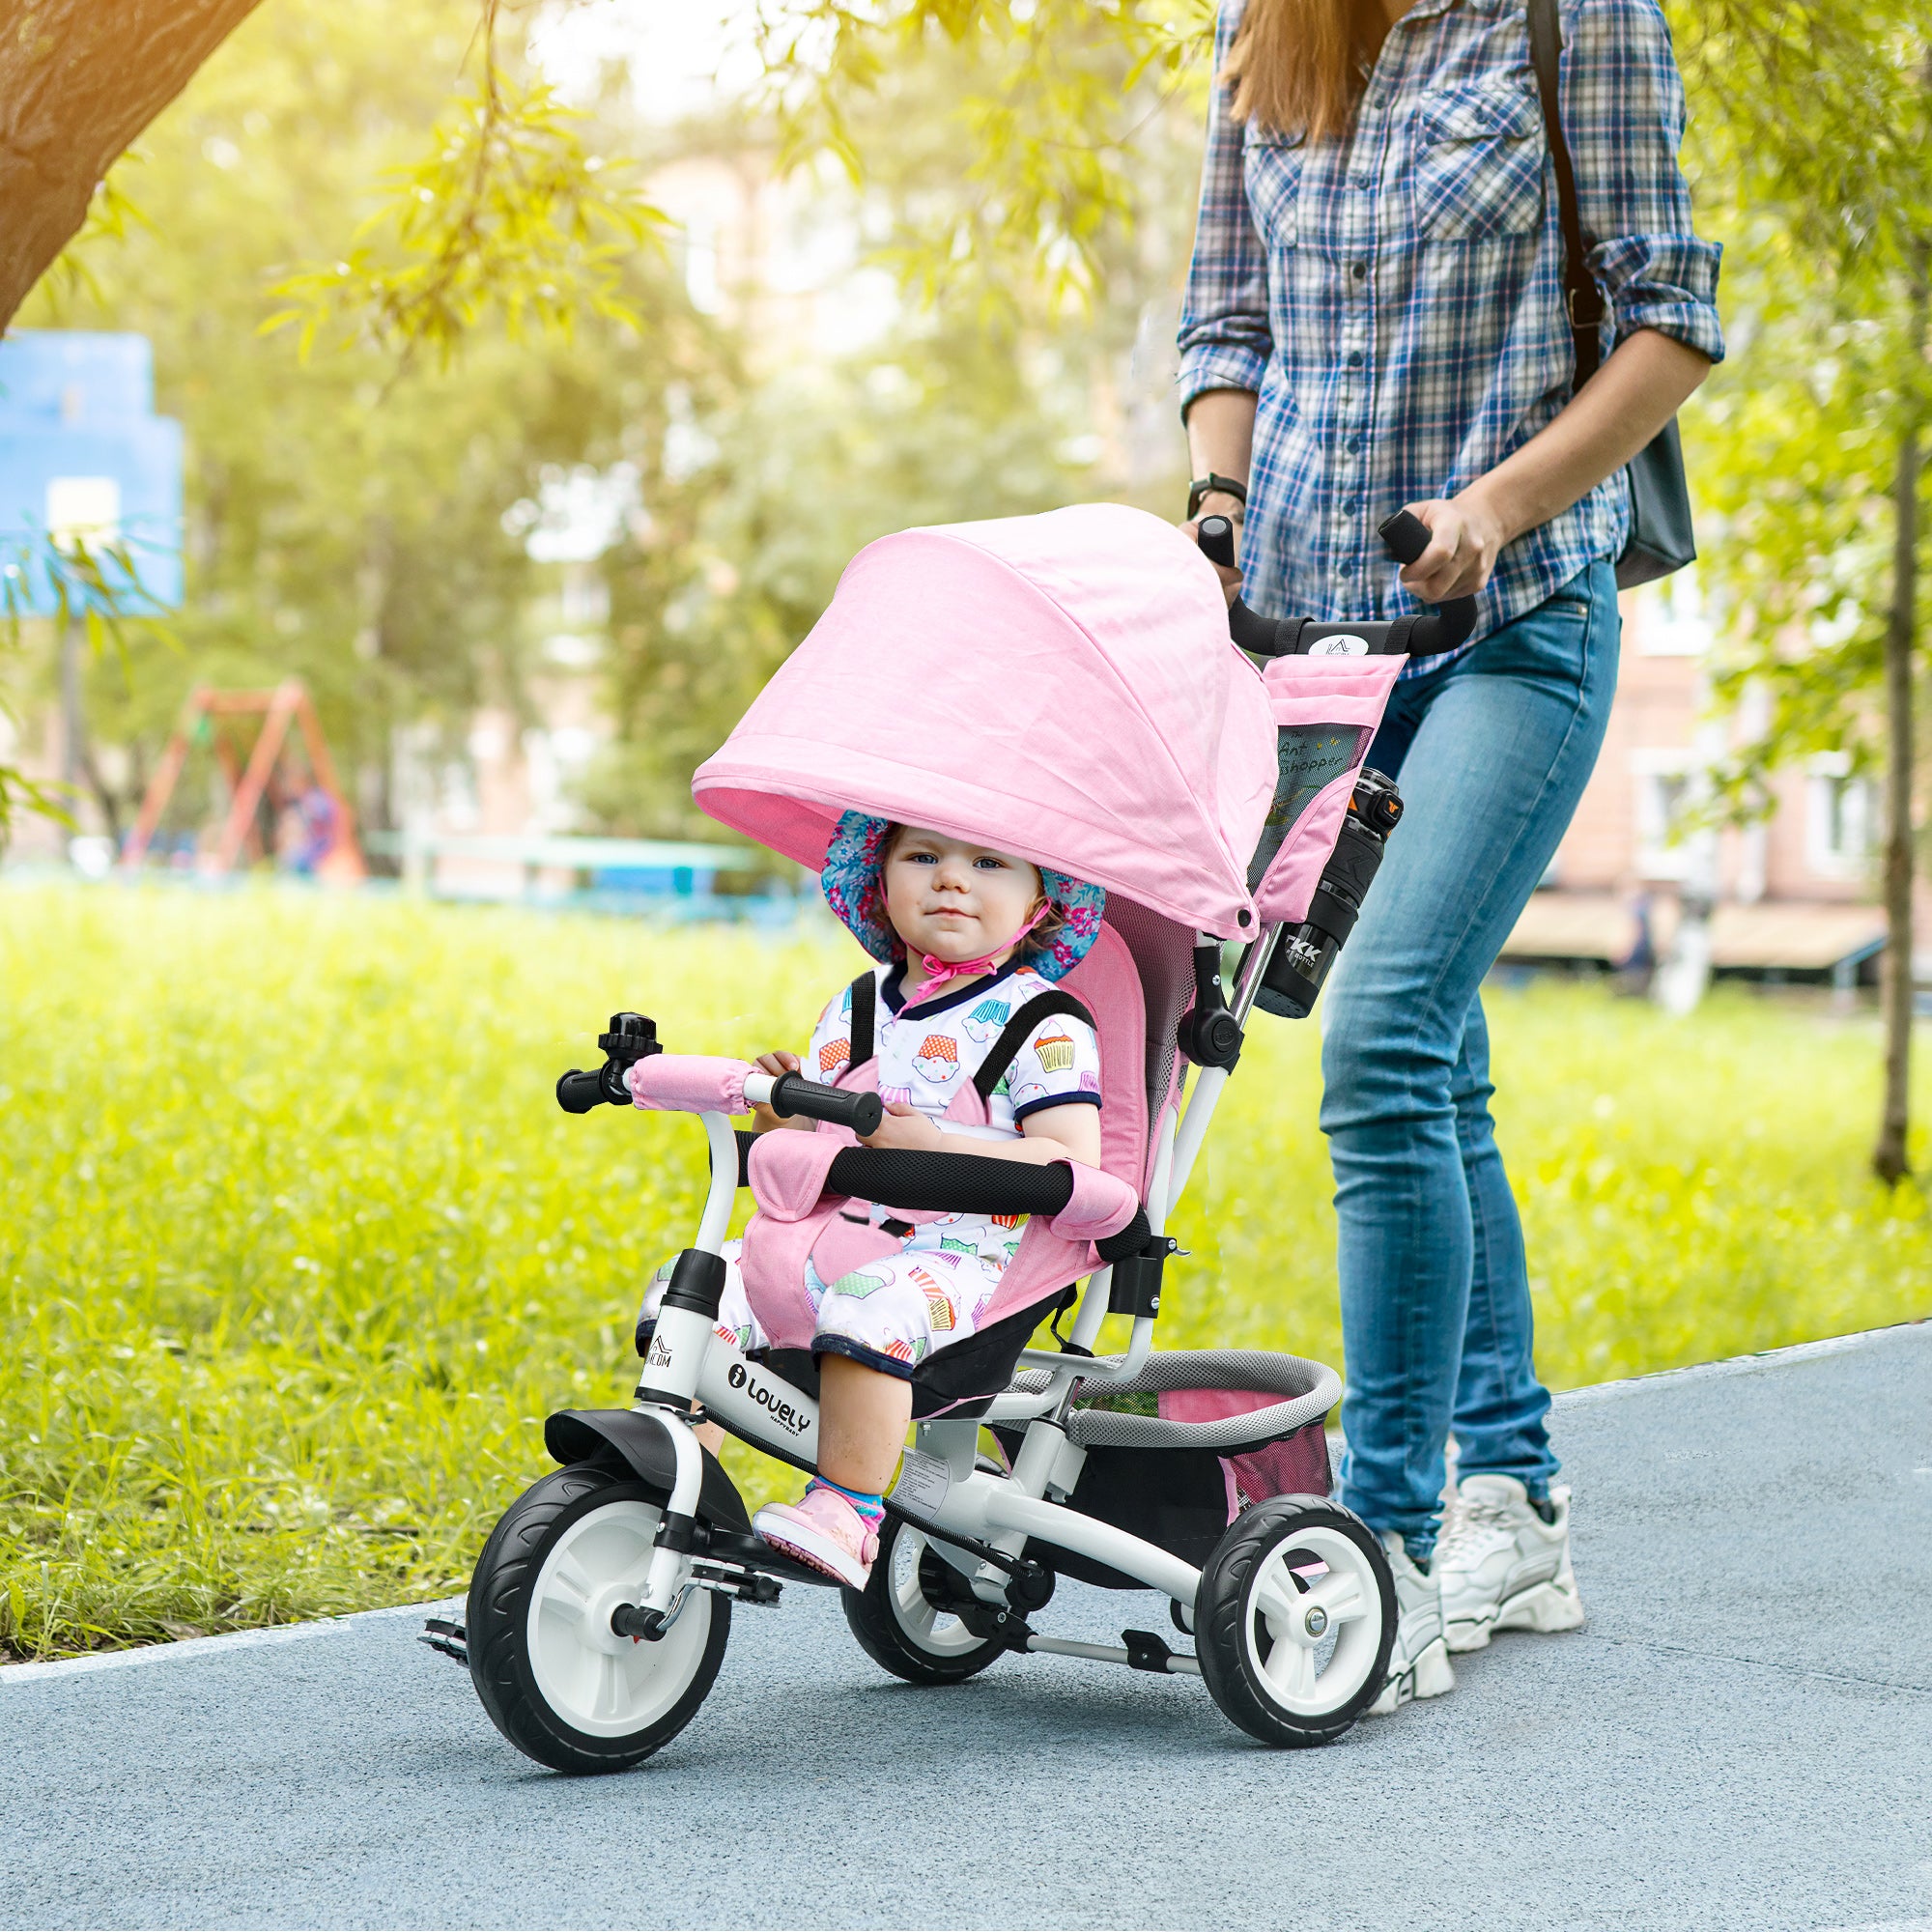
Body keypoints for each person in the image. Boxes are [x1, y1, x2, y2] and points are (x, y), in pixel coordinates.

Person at [1176, 0, 1722, 1709]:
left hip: (1513, 621)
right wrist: (1212, 505)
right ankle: (1520, 1501)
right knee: (1442, 1064)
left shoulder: (1577, 21)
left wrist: (1495, 503)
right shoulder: (1268, 28)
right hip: (1318, 642)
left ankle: (1386, 1551)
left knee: (1386, 1037)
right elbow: (1228, 316)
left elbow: (1674, 319)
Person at [634, 817, 1107, 1588]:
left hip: (963, 1261)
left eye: (989, 862)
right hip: (831, 1234)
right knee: (692, 1291)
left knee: (868, 1305)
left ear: (1042, 903)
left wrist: (935, 1142)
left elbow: (1067, 1158)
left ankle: (848, 1510)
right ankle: (676, 1480)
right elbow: (819, 1139)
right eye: (923, 857)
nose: (951, 879)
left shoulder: (1043, 1022)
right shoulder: (858, 1004)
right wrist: (779, 1110)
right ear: (880, 884)